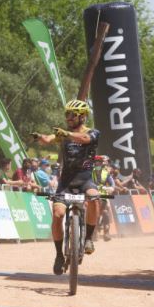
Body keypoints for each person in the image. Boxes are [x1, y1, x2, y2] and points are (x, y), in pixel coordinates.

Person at [31, 99, 102, 275]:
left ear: (83, 117)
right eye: (67, 114)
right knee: (58, 214)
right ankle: (58, 255)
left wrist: (66, 135)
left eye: (72, 115)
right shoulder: (64, 134)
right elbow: (48, 139)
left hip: (85, 180)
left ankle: (87, 239)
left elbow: (85, 139)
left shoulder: (93, 132)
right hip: (66, 182)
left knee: (94, 198)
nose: (68, 118)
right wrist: (40, 137)